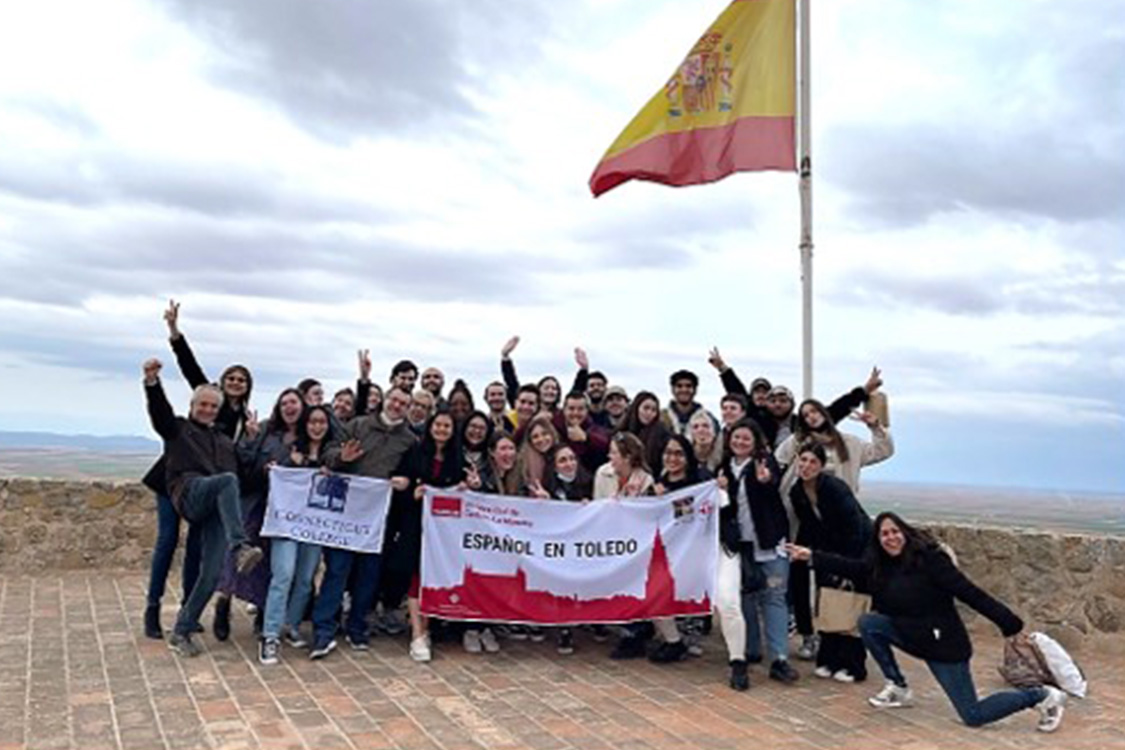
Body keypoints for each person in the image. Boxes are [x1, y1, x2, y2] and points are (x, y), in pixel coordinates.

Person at [787, 513, 1067, 733]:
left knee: (973, 715)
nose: (890, 538)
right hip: (908, 634)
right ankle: (898, 686)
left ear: (905, 533)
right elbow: (849, 566)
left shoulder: (931, 561)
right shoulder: (879, 566)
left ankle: (1041, 696)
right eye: (884, 534)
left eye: (895, 531)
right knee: (869, 623)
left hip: (943, 646)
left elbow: (969, 592)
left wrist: (1010, 623)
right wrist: (811, 556)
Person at [142, 300, 252, 638]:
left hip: (212, 487)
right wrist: (172, 338)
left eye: (241, 380)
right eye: (230, 378)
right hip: (174, 482)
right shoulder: (193, 413)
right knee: (167, 540)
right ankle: (152, 609)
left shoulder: (234, 426)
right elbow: (168, 407)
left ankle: (188, 614)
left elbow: (241, 467)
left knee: (203, 557)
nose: (234, 383)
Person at [311, 385, 415, 659]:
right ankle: (324, 630)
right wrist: (340, 458)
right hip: (345, 515)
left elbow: (412, 473)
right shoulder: (357, 425)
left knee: (369, 576)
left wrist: (407, 481)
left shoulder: (409, 440)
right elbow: (329, 454)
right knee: (337, 571)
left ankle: (358, 627)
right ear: (384, 400)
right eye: (393, 399)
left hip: (378, 519)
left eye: (403, 403)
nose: (396, 405)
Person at [213, 388, 304, 642]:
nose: (289, 407)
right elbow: (243, 460)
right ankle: (223, 602)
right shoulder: (264, 430)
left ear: (302, 406)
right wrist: (250, 439)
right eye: (284, 402)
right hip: (257, 502)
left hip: (286, 512)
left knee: (270, 562)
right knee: (238, 555)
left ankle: (263, 613)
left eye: (294, 402)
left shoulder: (307, 437)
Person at [717, 419, 800, 685]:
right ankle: (750, 650)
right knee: (745, 599)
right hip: (740, 547)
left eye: (746, 438)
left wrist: (766, 480)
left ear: (755, 442)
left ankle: (779, 659)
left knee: (774, 598)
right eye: (736, 437)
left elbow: (772, 481)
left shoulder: (765, 463)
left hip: (770, 543)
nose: (740, 442)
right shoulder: (723, 469)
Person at [788, 442, 872, 683]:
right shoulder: (797, 492)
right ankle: (829, 659)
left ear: (822, 466)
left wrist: (846, 564)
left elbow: (855, 528)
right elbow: (810, 527)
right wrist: (809, 555)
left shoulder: (835, 488)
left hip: (855, 552)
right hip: (827, 552)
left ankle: (854, 665)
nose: (806, 466)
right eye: (803, 460)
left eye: (813, 462)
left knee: (851, 605)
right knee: (828, 605)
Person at [258, 404, 335, 665]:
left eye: (322, 422)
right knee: (283, 575)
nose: (317, 426)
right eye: (312, 421)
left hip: (314, 527)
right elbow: (270, 470)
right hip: (286, 524)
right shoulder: (291, 448)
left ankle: (291, 624)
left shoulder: (330, 453)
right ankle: (270, 634)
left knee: (304, 579)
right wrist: (284, 465)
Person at [401, 407, 467, 662]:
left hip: (447, 533)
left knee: (435, 578)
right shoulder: (415, 452)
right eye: (437, 425)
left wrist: (465, 488)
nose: (441, 430)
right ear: (430, 427)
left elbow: (465, 493)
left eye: (447, 426)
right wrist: (411, 494)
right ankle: (417, 634)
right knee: (417, 577)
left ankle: (427, 628)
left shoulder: (458, 459)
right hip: (417, 526)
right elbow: (402, 482)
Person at [593, 433, 656, 659]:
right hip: (608, 537)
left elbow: (646, 515)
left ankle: (635, 633)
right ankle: (627, 626)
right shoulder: (603, 473)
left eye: (614, 453)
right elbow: (597, 505)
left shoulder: (645, 480)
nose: (610, 456)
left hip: (635, 542)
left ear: (627, 457)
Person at [499, 336, 590, 416]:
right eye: (546, 388)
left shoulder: (562, 415)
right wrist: (505, 357)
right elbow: (512, 384)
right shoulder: (528, 410)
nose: (550, 391)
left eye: (554, 388)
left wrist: (584, 369)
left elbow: (577, 391)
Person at [552, 391, 610, 473]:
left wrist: (586, 438)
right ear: (564, 410)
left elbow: (607, 444)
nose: (576, 413)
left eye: (580, 409)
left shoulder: (594, 428)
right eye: (571, 408)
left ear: (587, 411)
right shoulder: (553, 426)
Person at [622, 390, 673, 477]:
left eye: (653, 410)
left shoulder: (662, 434)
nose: (649, 413)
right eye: (646, 408)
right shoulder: (622, 431)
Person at [661, 370, 717, 437]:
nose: (684, 390)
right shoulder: (661, 417)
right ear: (672, 389)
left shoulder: (708, 418)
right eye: (679, 386)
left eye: (688, 386)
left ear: (695, 390)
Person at [515, 414, 560, 494]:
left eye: (545, 434)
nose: (541, 439)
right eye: (535, 437)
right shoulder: (522, 462)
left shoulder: (563, 455)